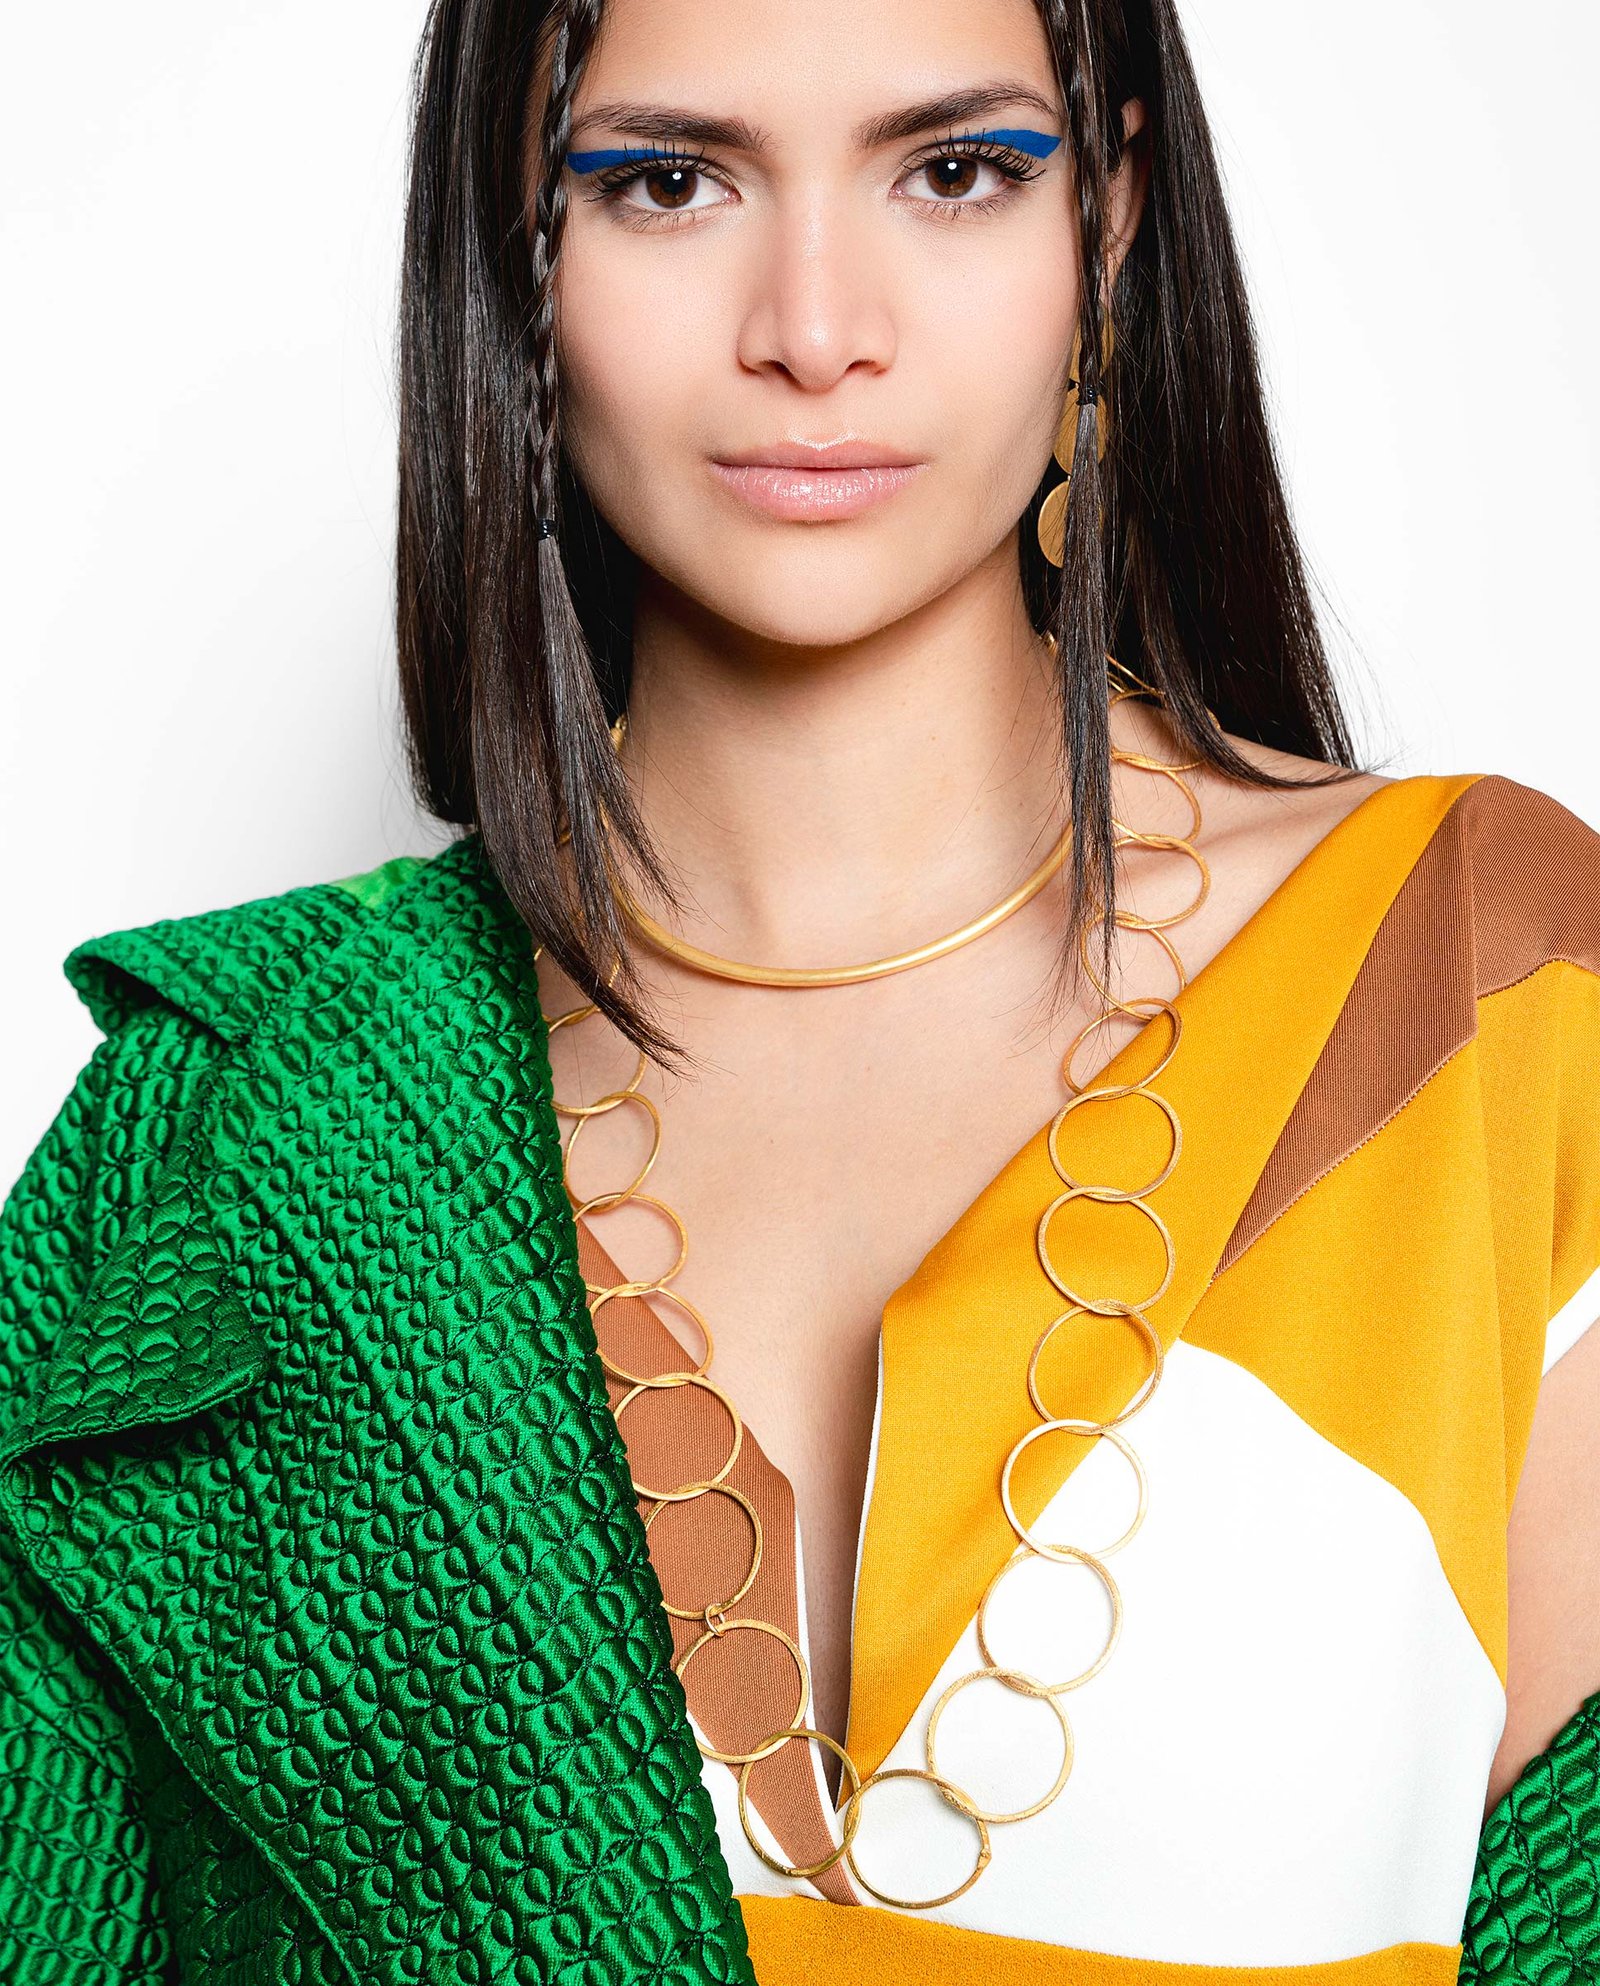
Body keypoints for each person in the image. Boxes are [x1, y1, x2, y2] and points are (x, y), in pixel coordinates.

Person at [2, 0, 1596, 1980]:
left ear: (1105, 223)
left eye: (956, 171)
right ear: (515, 246)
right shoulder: (227, 1129)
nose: (816, 329)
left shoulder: (1491, 996)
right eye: (668, 182)